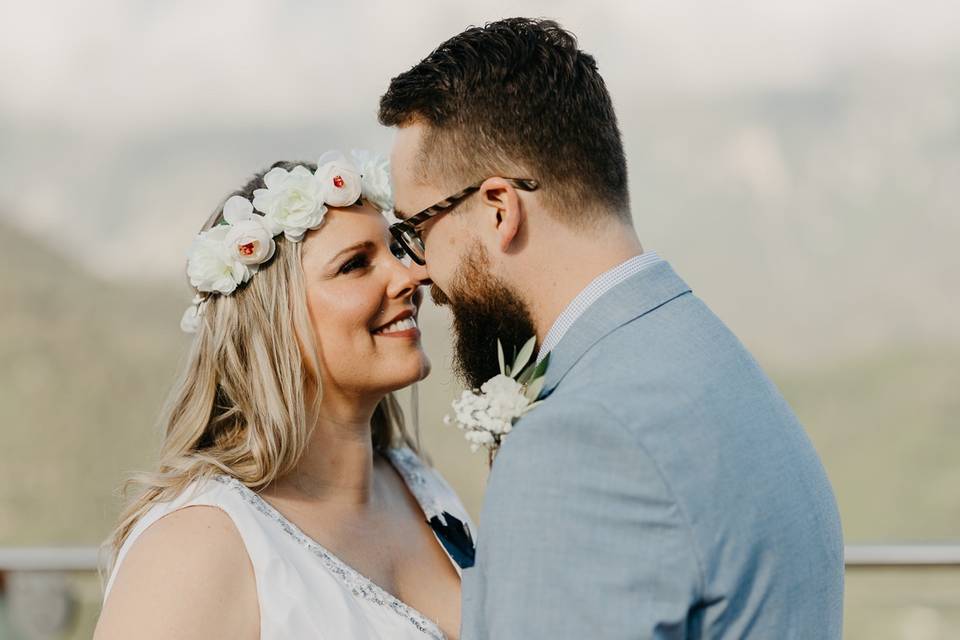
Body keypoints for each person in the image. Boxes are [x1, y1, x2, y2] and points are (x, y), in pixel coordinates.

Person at [380, 18, 845, 639]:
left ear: (498, 209)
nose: (422, 273)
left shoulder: (580, 441)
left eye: (417, 231)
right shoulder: (704, 349)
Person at [94, 151, 472, 640]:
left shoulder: (420, 486)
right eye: (356, 264)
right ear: (273, 320)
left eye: (396, 250)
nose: (411, 277)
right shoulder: (196, 546)